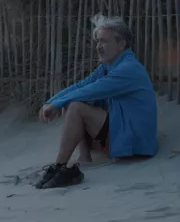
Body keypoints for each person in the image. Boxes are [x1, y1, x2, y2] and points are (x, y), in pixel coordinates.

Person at [34, 14, 159, 190]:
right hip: (122, 133)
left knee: (76, 106)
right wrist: (52, 101)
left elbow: (92, 90)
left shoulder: (128, 69)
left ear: (121, 44)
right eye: (98, 41)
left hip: (134, 143)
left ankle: (59, 167)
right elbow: (82, 85)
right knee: (73, 101)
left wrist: (57, 104)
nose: (99, 46)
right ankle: (83, 158)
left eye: (104, 41)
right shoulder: (108, 66)